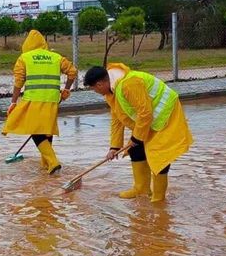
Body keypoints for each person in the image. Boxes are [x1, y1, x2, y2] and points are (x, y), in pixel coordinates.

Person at [82, 63, 192, 202]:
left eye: (93, 89)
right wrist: (114, 146)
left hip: (167, 116)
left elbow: (145, 112)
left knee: (159, 157)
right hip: (149, 122)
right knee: (135, 149)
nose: (95, 92)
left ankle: (158, 198)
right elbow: (117, 119)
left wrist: (137, 138)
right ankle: (142, 190)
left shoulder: (129, 84)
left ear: (99, 84)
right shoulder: (111, 92)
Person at [2, 30, 77, 174]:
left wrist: (13, 102)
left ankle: (53, 162)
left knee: (35, 130)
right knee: (46, 129)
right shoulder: (56, 57)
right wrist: (66, 89)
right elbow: (72, 72)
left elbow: (19, 81)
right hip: (52, 99)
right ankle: (46, 164)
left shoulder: (24, 58)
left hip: (33, 99)